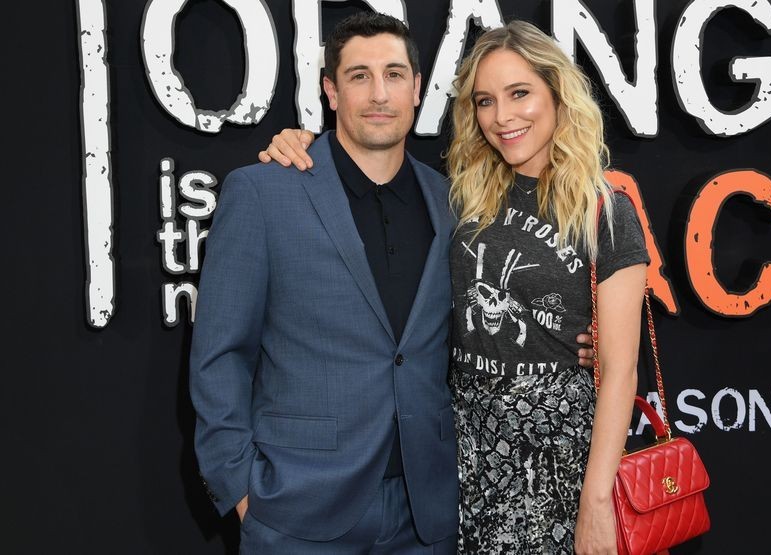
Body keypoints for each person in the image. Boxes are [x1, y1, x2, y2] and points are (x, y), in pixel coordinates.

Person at [260, 21, 646, 555]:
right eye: (485, 101)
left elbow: (621, 369)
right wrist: (299, 141)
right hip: (462, 457)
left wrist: (597, 499)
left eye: (520, 93)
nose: (503, 116)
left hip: (559, 461)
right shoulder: (461, 197)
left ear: (558, 93)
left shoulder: (604, 209)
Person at [190, 13, 458, 553]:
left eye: (394, 74)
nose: (379, 93)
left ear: (417, 88)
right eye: (359, 76)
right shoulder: (264, 192)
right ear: (331, 91)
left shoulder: (452, 201)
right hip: (297, 510)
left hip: (426, 515)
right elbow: (220, 354)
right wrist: (239, 488)